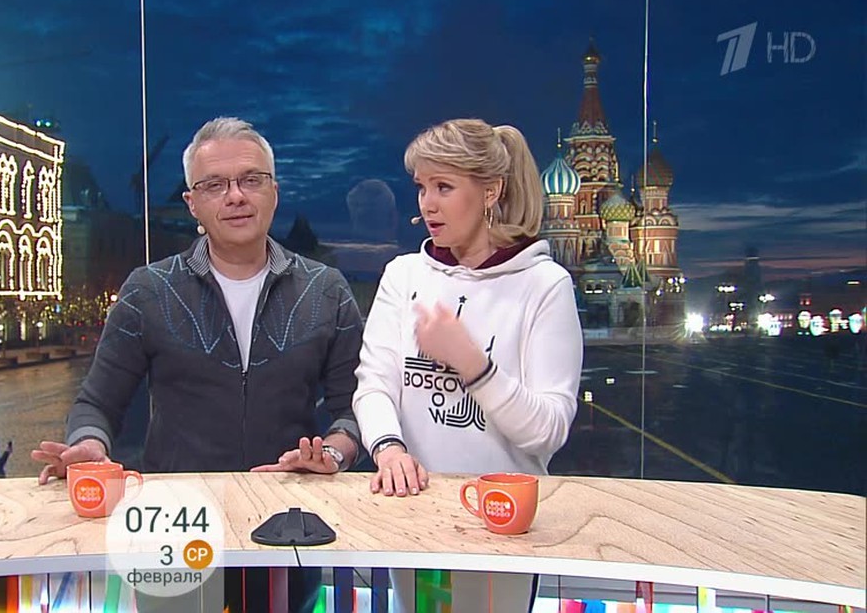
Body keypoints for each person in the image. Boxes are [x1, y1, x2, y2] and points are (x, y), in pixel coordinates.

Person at [32, 117, 364, 612]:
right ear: (192, 203)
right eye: (214, 185)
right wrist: (90, 446)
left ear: (274, 192)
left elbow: (353, 410)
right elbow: (97, 403)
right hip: (172, 529)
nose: (235, 196)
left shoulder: (326, 290)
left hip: (287, 524)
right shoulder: (148, 290)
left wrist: (333, 453)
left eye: (251, 180)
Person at [352, 118, 583, 611]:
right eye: (421, 188)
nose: (427, 204)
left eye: (444, 187)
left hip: (502, 525)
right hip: (416, 514)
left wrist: (471, 363)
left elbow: (547, 431)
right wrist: (388, 449)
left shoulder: (544, 285)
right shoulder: (404, 275)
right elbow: (374, 383)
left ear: (490, 191)